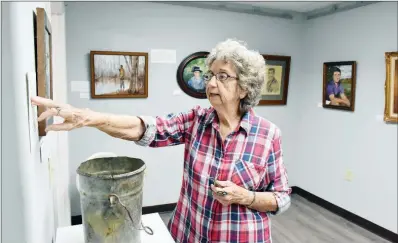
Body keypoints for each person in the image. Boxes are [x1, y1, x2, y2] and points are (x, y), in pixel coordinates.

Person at [31, 39, 291, 243]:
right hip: (188, 234)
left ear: (244, 87)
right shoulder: (196, 120)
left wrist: (245, 197)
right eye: (211, 75)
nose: (211, 83)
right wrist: (86, 117)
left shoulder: (268, 134)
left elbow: (281, 198)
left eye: (222, 76)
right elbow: (143, 128)